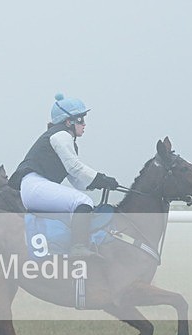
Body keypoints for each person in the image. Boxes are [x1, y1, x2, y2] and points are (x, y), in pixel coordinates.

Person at [8, 93, 120, 258]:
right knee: (83, 202)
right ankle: (78, 247)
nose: (84, 124)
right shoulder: (61, 135)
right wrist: (101, 178)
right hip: (35, 185)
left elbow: (77, 181)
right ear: (69, 122)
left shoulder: (65, 139)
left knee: (82, 201)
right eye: (80, 120)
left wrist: (97, 184)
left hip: (35, 187)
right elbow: (75, 168)